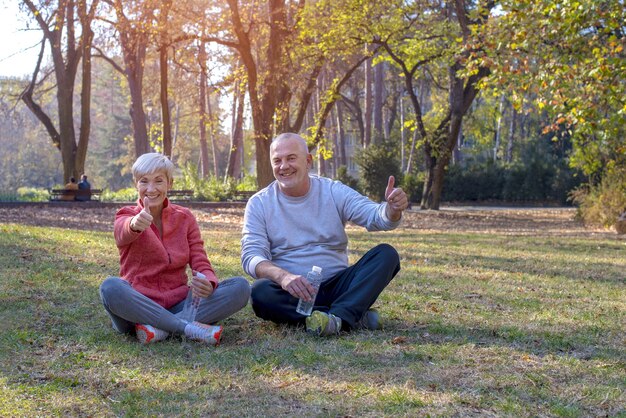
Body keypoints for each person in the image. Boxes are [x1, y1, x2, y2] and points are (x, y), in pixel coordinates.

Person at [241, 133, 409, 337]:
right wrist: (284, 277)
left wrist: (392, 210)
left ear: (308, 161)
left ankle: (335, 317)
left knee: (386, 254)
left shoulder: (332, 191)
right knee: (260, 293)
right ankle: (348, 316)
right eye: (277, 160)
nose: (284, 166)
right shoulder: (259, 203)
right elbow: (251, 256)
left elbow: (375, 216)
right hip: (293, 293)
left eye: (291, 158)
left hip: (338, 285)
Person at [99, 153, 250, 345]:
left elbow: (199, 258)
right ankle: (186, 328)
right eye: (144, 181)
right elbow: (122, 232)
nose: (151, 189)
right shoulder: (126, 214)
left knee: (240, 287)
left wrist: (208, 282)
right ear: (136, 184)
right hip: (139, 307)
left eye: (159, 181)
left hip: (179, 303)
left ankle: (159, 329)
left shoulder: (184, 218)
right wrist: (135, 224)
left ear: (169, 183)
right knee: (110, 288)